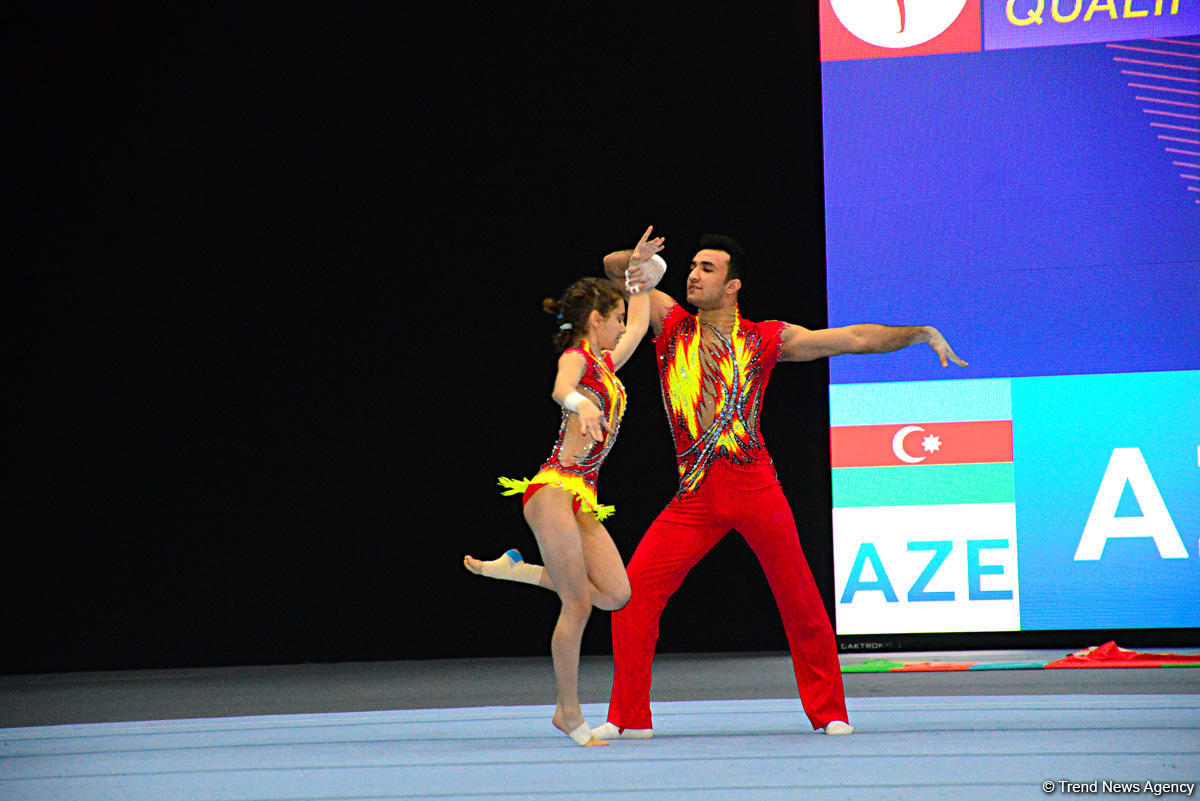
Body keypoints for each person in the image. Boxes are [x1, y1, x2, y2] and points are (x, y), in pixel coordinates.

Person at [587, 234, 968, 740]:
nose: (693, 274)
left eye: (707, 268)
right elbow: (613, 269)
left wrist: (920, 333)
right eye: (692, 266)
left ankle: (829, 711)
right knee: (631, 596)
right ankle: (629, 717)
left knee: (801, 602)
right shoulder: (669, 321)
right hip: (694, 495)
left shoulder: (766, 339)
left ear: (733, 286)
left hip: (754, 488)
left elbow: (853, 338)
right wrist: (638, 261)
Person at [463, 227, 666, 746]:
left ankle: (518, 571)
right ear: (594, 320)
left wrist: (640, 275)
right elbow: (560, 387)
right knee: (577, 605)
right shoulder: (578, 356)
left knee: (615, 594)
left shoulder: (607, 362)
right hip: (552, 491)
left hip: (582, 497)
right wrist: (581, 405)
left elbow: (639, 322)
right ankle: (568, 712)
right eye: (613, 318)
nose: (620, 325)